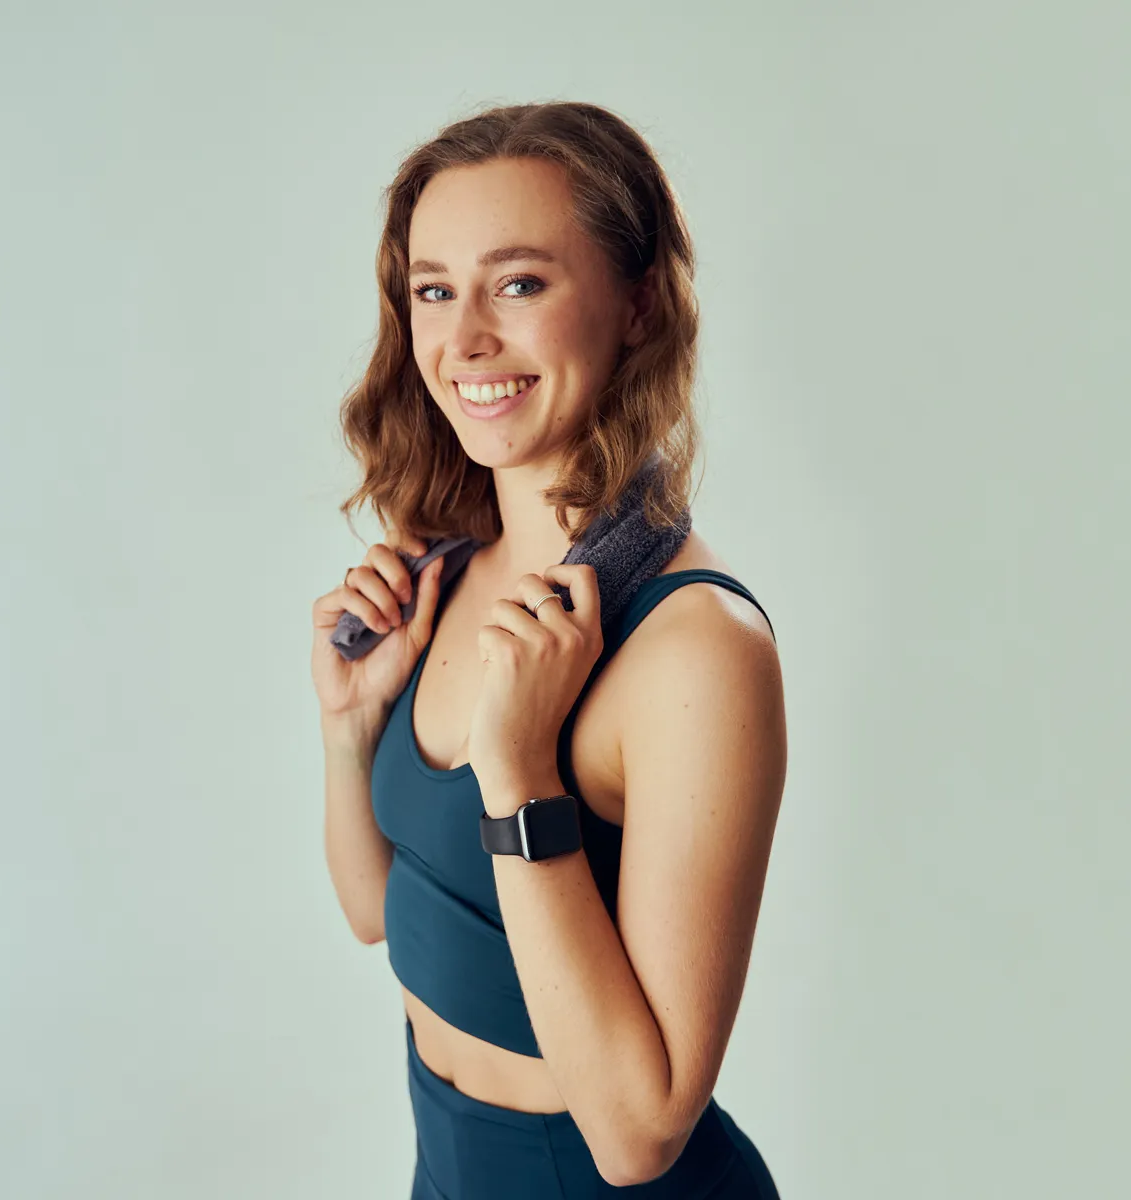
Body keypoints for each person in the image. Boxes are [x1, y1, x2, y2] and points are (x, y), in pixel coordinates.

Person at [310, 101, 787, 1199]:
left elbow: (638, 1135)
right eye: (435, 290)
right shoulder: (446, 571)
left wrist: (520, 772)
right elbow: (380, 914)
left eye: (518, 284)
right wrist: (347, 730)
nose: (465, 338)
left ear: (638, 304)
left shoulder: (694, 649)